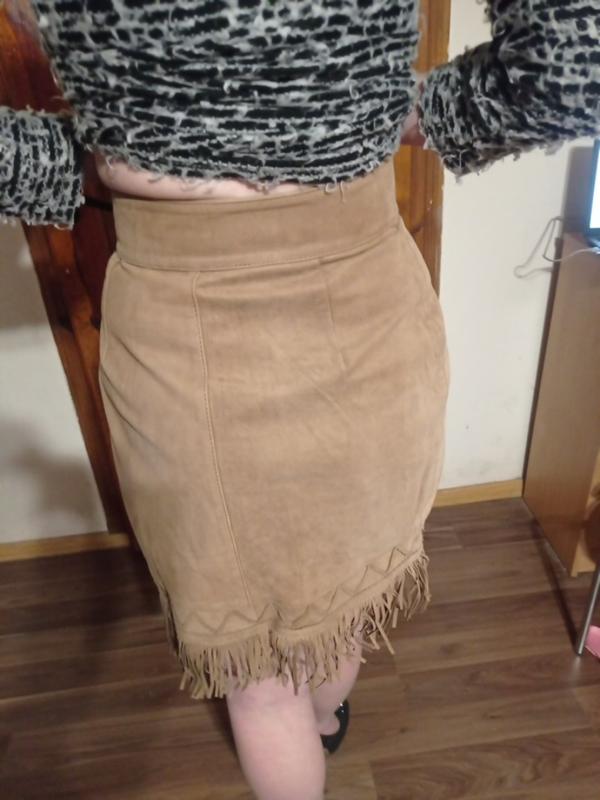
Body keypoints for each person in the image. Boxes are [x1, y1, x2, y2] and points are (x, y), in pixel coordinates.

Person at [1, 2, 598, 799]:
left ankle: (309, 726)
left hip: (184, 320)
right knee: (336, 599)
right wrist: (379, 114)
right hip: (366, 296)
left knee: (258, 678)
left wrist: (107, 158)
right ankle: (324, 720)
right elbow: (573, 65)